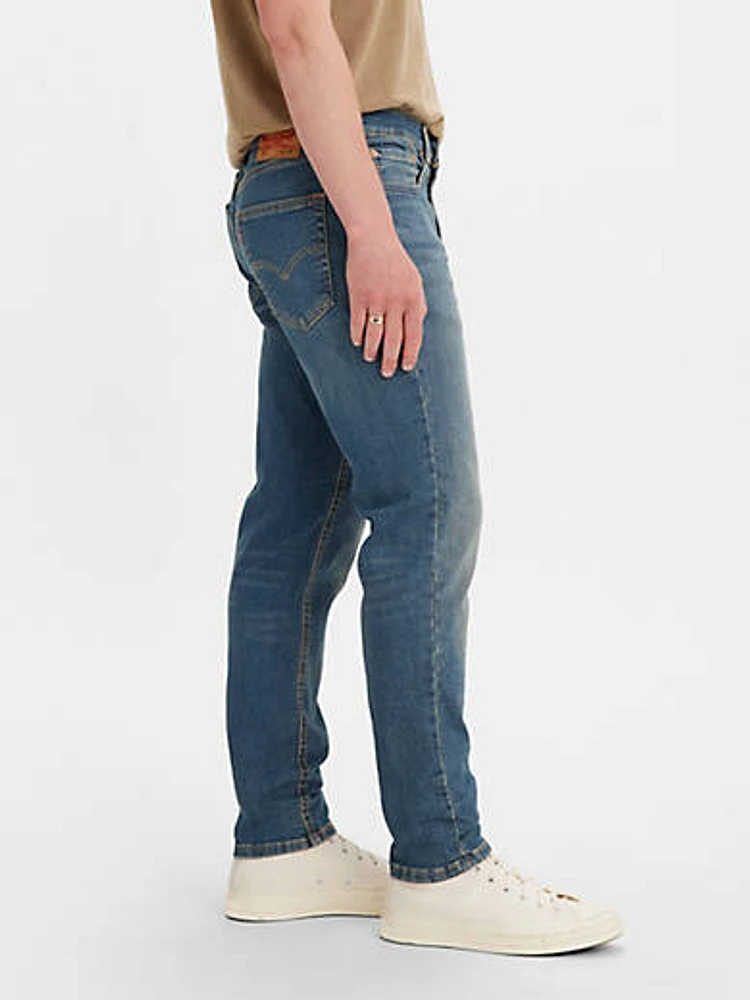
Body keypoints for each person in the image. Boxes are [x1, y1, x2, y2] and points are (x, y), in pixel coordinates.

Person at [209, 0, 624, 956]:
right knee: (427, 507)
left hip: (299, 173)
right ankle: (441, 859)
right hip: (343, 175)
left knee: (296, 525)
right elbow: (297, 32)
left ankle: (282, 839)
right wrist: (372, 229)